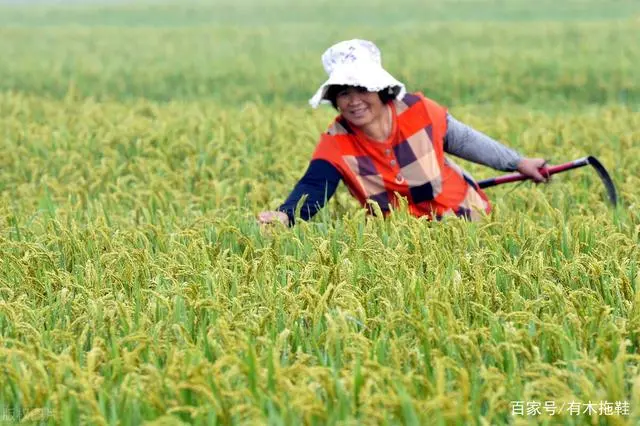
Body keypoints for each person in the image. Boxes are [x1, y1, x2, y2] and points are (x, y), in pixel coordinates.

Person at [258, 39, 549, 227]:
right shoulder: (336, 142)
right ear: (335, 100)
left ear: (380, 89)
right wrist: (285, 215)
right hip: (402, 241)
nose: (354, 101)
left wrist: (518, 162)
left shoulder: (419, 111)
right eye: (344, 93)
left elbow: (466, 141)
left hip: (466, 220)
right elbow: (314, 185)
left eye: (362, 89)